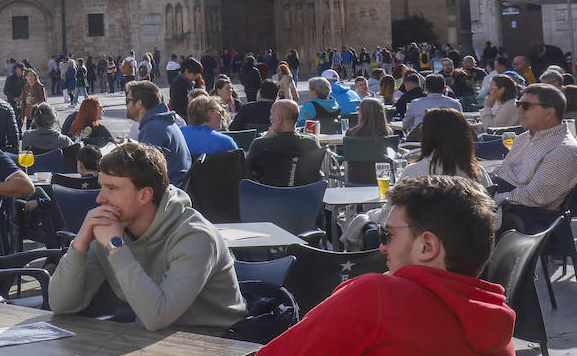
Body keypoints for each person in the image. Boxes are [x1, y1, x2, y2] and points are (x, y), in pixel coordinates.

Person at [136, 176, 515, 356]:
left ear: (427, 246)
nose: (381, 246)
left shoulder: (380, 296)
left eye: (388, 234)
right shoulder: (497, 335)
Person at [49, 141, 244, 330]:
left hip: (217, 347)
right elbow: (60, 305)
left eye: (112, 188)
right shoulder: (112, 231)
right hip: (150, 343)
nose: (100, 198)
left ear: (145, 195)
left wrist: (116, 248)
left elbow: (156, 317)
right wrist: (79, 244)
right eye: (101, 186)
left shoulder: (196, 236)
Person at [341, 108, 492, 250]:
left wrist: (368, 216)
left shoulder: (414, 172)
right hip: (469, 252)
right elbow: (495, 219)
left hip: (422, 252)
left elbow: (388, 218)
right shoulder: (479, 174)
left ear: (425, 136)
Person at [492, 82, 577, 216]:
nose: (519, 110)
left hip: (521, 216)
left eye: (525, 106)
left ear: (549, 113)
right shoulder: (524, 137)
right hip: (501, 201)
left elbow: (534, 196)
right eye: (518, 105)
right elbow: (500, 170)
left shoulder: (563, 151)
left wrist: (490, 199)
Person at [125, 80, 192, 187]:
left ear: (139, 103)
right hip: (174, 186)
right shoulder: (163, 121)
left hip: (165, 192)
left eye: (128, 100)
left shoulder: (153, 128)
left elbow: (147, 172)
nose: (126, 105)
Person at [246, 100, 325, 186]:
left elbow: (246, 171)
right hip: (304, 196)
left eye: (271, 114)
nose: (270, 118)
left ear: (280, 119)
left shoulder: (261, 144)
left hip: (270, 196)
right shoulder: (312, 141)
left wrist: (265, 137)